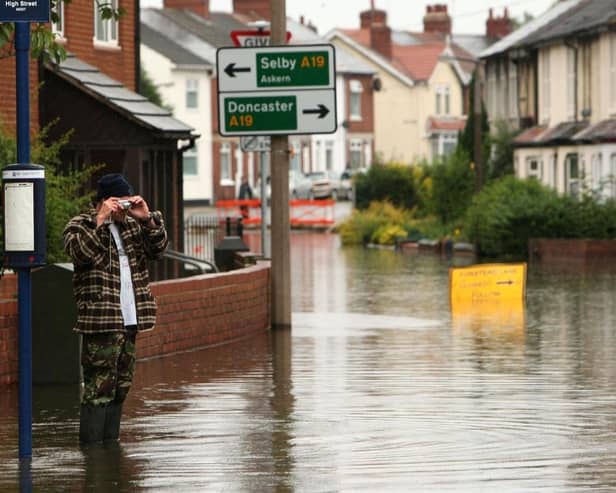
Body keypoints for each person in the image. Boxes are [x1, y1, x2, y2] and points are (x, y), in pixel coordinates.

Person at [63, 173, 168, 444]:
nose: (123, 209)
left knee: (121, 386)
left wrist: (147, 219)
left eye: (126, 202)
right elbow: (79, 253)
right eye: (118, 203)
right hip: (100, 320)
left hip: (131, 319)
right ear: (105, 201)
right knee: (99, 387)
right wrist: (100, 220)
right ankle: (92, 453)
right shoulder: (82, 224)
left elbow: (158, 250)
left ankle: (109, 449)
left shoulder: (133, 226)